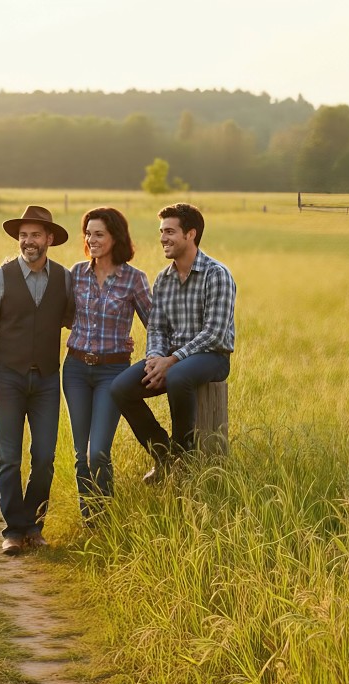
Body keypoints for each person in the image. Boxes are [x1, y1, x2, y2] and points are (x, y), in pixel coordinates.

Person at [0, 205, 74, 556]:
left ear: (49, 239)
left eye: (35, 235)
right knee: (10, 459)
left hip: (47, 379)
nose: (28, 242)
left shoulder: (64, 278)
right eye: (23, 236)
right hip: (8, 379)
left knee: (45, 457)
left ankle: (34, 525)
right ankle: (14, 530)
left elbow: (76, 322)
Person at [110, 202, 236, 483]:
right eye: (161, 231)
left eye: (170, 231)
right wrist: (155, 359)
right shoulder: (163, 279)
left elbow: (215, 332)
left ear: (190, 234)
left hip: (211, 356)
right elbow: (157, 328)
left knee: (179, 376)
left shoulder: (217, 274)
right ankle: (163, 455)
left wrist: (173, 359)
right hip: (171, 359)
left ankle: (185, 457)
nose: (163, 238)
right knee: (120, 388)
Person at [63, 207, 152, 523]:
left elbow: (154, 325)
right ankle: (92, 524)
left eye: (99, 233)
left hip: (111, 372)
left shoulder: (134, 279)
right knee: (80, 455)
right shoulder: (75, 274)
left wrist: (157, 358)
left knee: (98, 451)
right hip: (74, 369)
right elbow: (55, 313)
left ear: (116, 237)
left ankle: (105, 520)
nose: (91, 239)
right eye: (88, 233)